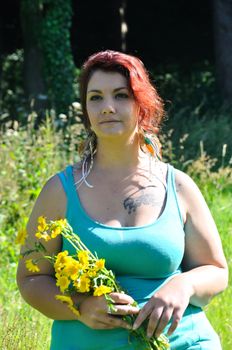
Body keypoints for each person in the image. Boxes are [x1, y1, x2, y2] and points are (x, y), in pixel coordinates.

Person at [17, 50, 228, 350]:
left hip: (184, 342)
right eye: (96, 98)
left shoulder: (178, 185)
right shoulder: (60, 191)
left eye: (121, 95)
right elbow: (30, 279)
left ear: (142, 104)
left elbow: (216, 271)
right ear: (86, 109)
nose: (107, 107)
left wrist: (184, 285)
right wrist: (80, 307)